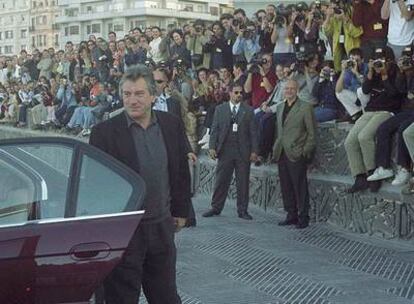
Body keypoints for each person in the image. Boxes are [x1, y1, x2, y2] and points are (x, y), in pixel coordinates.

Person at [89, 64, 191, 304]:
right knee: (122, 298)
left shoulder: (171, 124)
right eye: (127, 94)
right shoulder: (104, 133)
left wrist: (181, 211)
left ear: (153, 96)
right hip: (125, 234)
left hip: (162, 229)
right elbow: (94, 186)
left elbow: (179, 172)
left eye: (139, 94)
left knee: (165, 296)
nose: (132, 100)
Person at [202, 82, 258, 220]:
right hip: (225, 150)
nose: (239, 95)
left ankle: (242, 210)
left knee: (243, 181)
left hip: (242, 150)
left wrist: (254, 151)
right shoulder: (220, 109)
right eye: (236, 92)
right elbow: (215, 130)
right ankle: (216, 207)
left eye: (241, 93)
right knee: (221, 180)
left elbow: (254, 133)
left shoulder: (248, 110)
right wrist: (212, 147)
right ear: (230, 93)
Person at [272, 79, 317, 229]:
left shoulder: (305, 107)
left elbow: (312, 133)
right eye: (286, 89)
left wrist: (305, 151)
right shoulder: (279, 107)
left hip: (297, 152)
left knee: (300, 186)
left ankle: (303, 217)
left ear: (297, 90)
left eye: (292, 88)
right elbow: (279, 130)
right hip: (282, 152)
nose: (289, 91)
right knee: (286, 186)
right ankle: (291, 214)